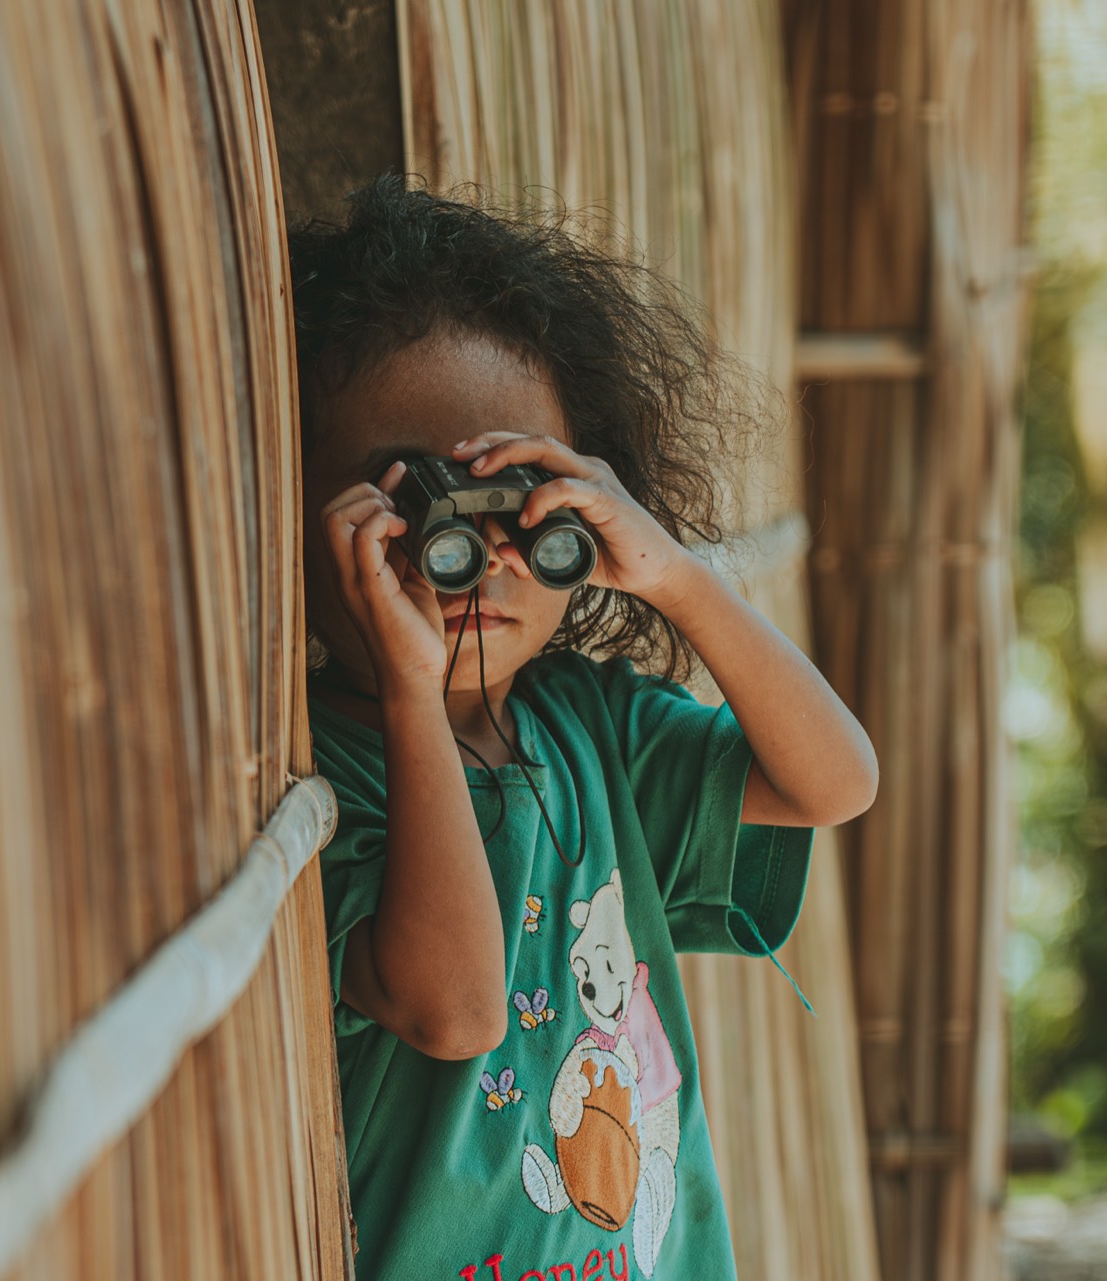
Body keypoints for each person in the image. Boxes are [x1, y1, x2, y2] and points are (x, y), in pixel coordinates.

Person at [290, 176, 878, 1281]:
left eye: (516, 496)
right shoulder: (321, 775)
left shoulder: (591, 729)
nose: (477, 548)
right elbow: (458, 1011)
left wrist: (674, 577)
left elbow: (834, 781)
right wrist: (417, 692)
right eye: (407, 498)